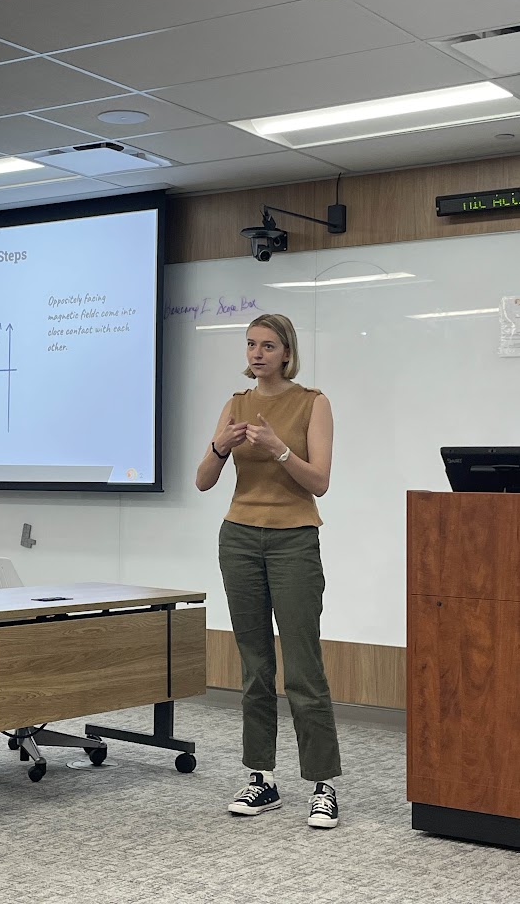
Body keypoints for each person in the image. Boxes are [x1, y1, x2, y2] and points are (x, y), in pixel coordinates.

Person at [196, 313, 341, 829]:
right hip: (238, 537)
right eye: (251, 345)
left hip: (294, 539)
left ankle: (322, 785)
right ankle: (261, 778)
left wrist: (279, 447)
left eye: (268, 346)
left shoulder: (312, 402)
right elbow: (203, 481)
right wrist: (222, 447)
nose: (257, 354)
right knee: (255, 665)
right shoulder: (236, 404)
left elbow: (319, 481)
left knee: (303, 665)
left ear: (287, 353)